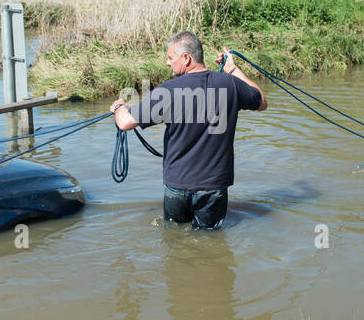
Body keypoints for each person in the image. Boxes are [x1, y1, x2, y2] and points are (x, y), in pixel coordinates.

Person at [111, 31, 266, 230]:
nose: (167, 63)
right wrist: (233, 69)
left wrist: (118, 106)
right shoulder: (229, 84)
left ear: (186, 58)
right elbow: (261, 101)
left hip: (177, 185)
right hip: (214, 187)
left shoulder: (167, 90)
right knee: (210, 242)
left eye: (170, 57)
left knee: (175, 241)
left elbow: (124, 122)